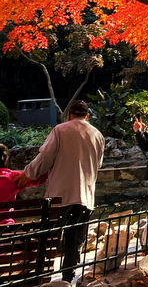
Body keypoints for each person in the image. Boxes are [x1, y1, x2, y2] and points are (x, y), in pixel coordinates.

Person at [19, 99, 104, 283]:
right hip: (85, 197)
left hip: (60, 196)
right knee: (74, 243)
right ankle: (67, 279)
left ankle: (41, 277)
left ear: (69, 115)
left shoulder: (60, 130)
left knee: (49, 239)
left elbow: (44, 159)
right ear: (87, 116)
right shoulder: (98, 135)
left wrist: (27, 174)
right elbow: (98, 164)